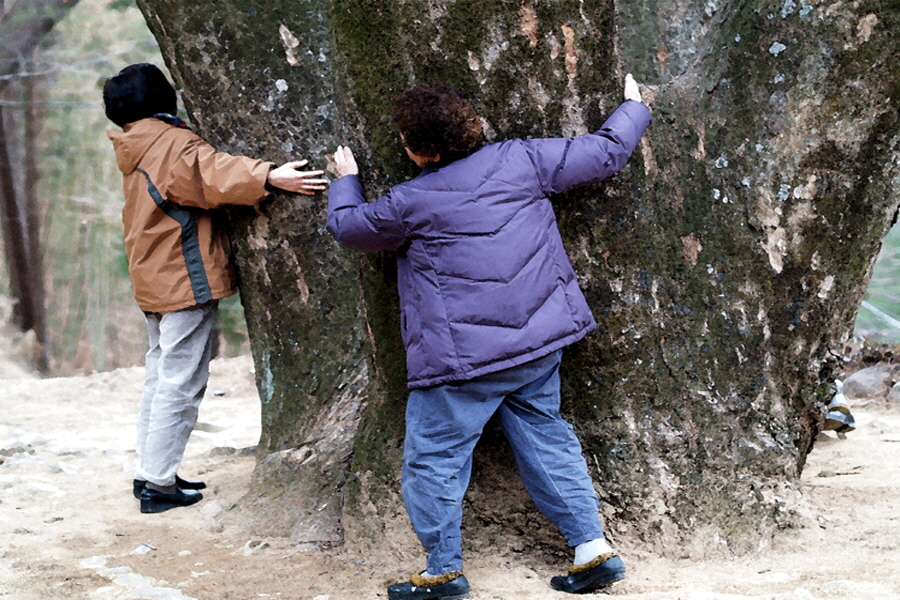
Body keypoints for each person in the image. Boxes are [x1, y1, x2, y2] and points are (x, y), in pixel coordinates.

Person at [326, 75, 651, 599]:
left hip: (463, 363)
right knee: (546, 437)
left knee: (434, 458)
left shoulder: (410, 201)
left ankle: (443, 571)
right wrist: (633, 108)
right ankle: (592, 549)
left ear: (416, 150)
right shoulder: (521, 160)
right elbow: (605, 151)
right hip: (538, 344)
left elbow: (349, 228)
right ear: (471, 126)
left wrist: (346, 179)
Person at [103, 63, 328, 514]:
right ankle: (158, 484)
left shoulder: (135, 143)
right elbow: (210, 173)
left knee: (160, 376)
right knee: (180, 382)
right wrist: (268, 176)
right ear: (164, 100)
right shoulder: (168, 142)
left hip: (154, 275)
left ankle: (152, 471)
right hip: (181, 276)